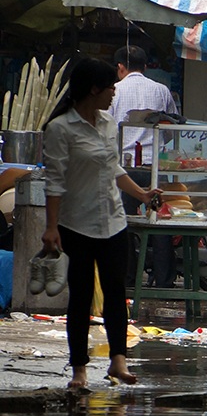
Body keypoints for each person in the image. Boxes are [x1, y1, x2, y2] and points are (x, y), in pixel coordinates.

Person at [42, 57, 161, 389]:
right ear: (94, 89)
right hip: (76, 224)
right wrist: (51, 227)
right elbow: (55, 182)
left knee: (115, 293)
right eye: (110, 87)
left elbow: (114, 170)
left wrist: (142, 194)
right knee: (80, 296)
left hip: (113, 221)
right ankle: (79, 369)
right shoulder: (60, 129)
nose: (114, 93)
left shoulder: (109, 124)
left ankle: (118, 362)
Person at [111, 45, 178, 288]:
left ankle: (128, 279)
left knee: (125, 224)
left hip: (125, 169)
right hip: (156, 168)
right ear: (146, 66)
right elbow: (172, 129)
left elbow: (107, 130)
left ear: (120, 67)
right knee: (159, 222)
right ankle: (164, 281)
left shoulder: (114, 91)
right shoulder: (161, 91)